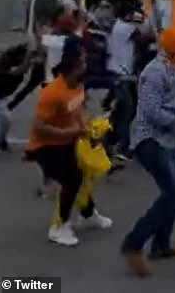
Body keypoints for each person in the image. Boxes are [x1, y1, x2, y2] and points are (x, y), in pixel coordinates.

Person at [121, 26, 175, 278]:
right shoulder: (154, 72)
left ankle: (161, 245)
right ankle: (133, 245)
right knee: (173, 193)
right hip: (150, 139)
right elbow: (152, 112)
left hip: (170, 140)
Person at [25, 36, 112, 246]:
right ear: (73, 67)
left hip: (68, 142)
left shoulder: (78, 86)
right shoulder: (52, 93)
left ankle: (88, 214)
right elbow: (39, 128)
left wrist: (87, 125)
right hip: (45, 147)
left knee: (82, 176)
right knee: (72, 179)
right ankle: (59, 228)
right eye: (82, 62)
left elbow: (79, 109)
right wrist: (69, 133)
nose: (86, 64)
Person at [108, 2, 142, 159]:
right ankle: (123, 146)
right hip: (121, 75)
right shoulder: (124, 28)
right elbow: (144, 37)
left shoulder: (120, 25)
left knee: (124, 110)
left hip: (123, 74)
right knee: (126, 110)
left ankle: (109, 140)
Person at [0, 43, 34, 151]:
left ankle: (1, 141)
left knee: (6, 120)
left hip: (1, 99)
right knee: (5, 119)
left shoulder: (16, 67)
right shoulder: (1, 64)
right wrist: (28, 56)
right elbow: (18, 71)